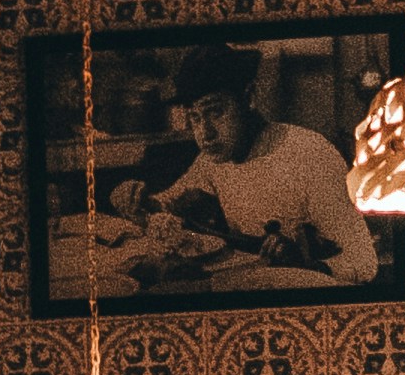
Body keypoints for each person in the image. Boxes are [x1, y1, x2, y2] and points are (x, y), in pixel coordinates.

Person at [101, 42, 380, 291]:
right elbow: (171, 202)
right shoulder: (213, 159)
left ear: (248, 98)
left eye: (216, 111)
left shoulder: (309, 155)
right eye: (194, 117)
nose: (205, 133)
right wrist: (139, 200)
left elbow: (365, 262)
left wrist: (309, 266)